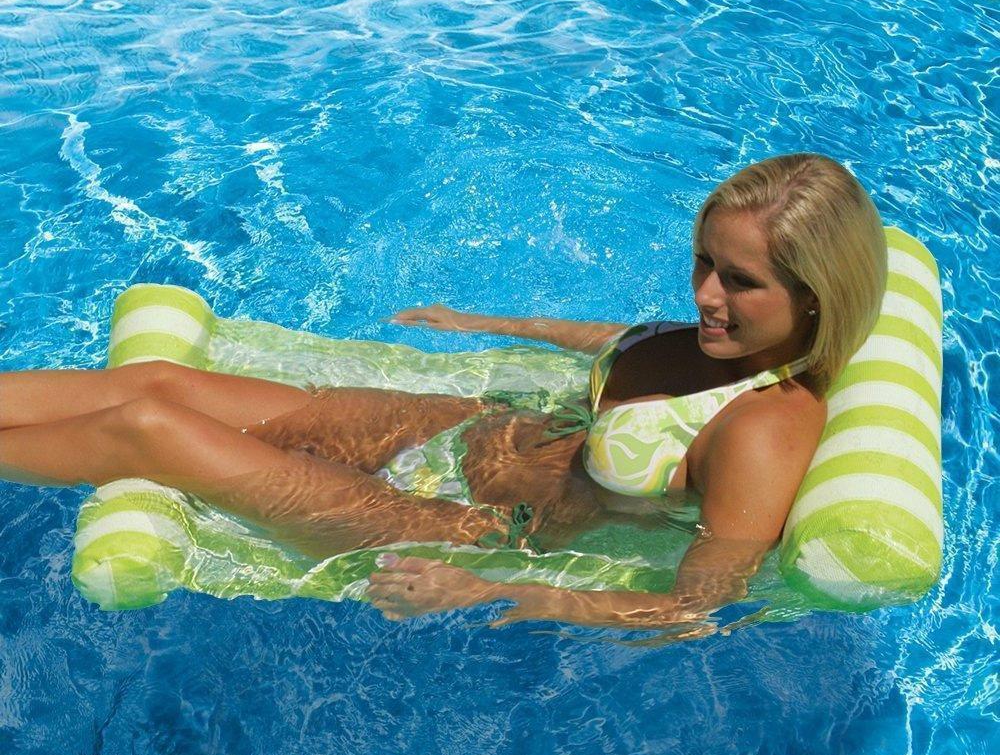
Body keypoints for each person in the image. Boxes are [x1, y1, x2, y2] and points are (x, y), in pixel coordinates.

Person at [0, 153, 887, 636]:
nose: (704, 295)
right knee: (161, 382)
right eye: (703, 262)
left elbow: (698, 607)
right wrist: (486, 322)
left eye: (739, 281)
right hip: (458, 431)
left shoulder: (762, 429)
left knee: (149, 428)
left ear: (815, 293)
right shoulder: (708, 336)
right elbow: (617, 340)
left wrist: (491, 591)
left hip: (458, 522)